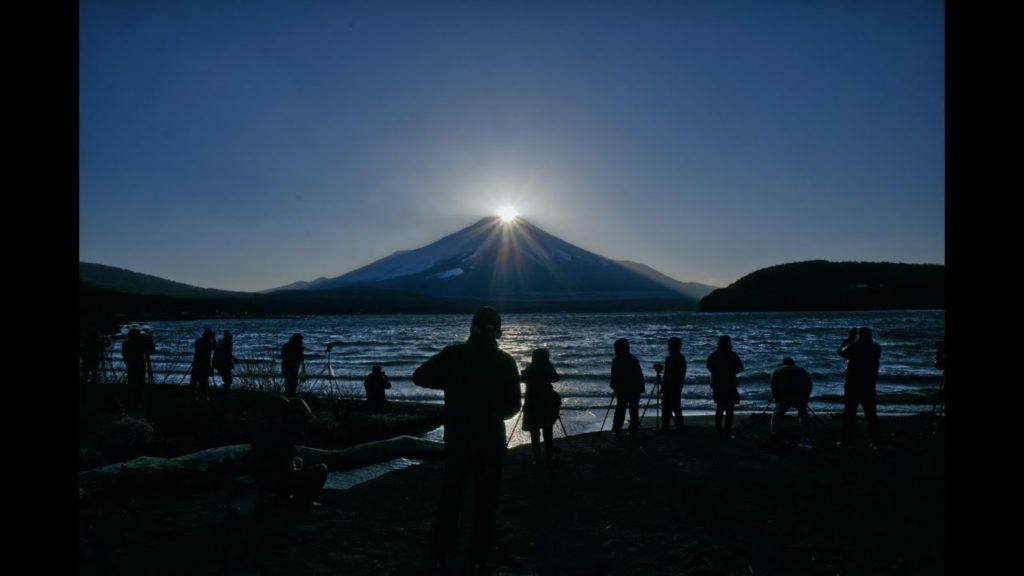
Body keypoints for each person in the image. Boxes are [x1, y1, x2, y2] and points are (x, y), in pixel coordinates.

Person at [412, 307, 521, 573]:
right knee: (486, 501)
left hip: (458, 436)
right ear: (498, 332)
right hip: (491, 438)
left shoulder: (454, 355)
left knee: (451, 496)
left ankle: (440, 553)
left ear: (471, 328)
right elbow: (514, 406)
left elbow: (420, 376)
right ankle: (478, 558)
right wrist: (491, 411)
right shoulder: (505, 361)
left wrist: (451, 383)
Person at [251, 395, 328, 508]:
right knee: (321, 469)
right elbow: (281, 463)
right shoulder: (280, 427)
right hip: (276, 481)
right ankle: (303, 502)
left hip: (262, 481)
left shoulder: (262, 426)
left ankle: (283, 498)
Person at [838, 327, 883, 448]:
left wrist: (849, 339)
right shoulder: (876, 348)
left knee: (849, 414)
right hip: (869, 384)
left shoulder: (853, 346)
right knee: (871, 414)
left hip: (853, 384)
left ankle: (847, 441)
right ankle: (876, 441)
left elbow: (841, 351)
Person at [521, 348, 561, 466]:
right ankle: (549, 457)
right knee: (547, 431)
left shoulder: (530, 368)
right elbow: (556, 378)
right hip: (547, 401)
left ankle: (537, 459)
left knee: (534, 433)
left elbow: (523, 379)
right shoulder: (548, 368)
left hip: (532, 402)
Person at [706, 335, 744, 439]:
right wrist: (731, 371)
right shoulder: (733, 355)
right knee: (730, 409)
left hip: (717, 384)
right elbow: (740, 368)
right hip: (730, 383)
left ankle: (718, 430)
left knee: (720, 407)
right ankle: (727, 431)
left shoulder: (714, 355)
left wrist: (717, 372)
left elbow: (708, 366)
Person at [769, 357, 813, 439]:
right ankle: (808, 435)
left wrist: (775, 397)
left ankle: (775, 433)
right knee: (803, 414)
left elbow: (773, 384)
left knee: (778, 414)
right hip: (800, 396)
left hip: (784, 396)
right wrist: (806, 397)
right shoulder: (801, 370)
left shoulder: (778, 370)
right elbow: (809, 384)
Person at [610, 338, 645, 435]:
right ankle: (633, 428)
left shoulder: (617, 360)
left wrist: (614, 386)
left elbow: (614, 376)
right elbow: (639, 375)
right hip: (635, 387)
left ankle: (617, 429)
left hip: (625, 388)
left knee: (621, 408)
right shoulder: (633, 358)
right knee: (633, 409)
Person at [660, 336, 687, 431]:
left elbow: (670, 374)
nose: (669, 347)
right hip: (677, 385)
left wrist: (664, 386)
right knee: (675, 407)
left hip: (672, 386)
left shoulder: (673, 358)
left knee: (668, 407)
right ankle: (678, 426)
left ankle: (666, 426)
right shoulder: (680, 358)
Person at [189, 328, 216, 400]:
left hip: (197, 363)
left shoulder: (199, 341)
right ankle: (202, 396)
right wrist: (214, 339)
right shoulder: (208, 343)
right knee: (203, 381)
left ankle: (193, 395)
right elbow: (215, 347)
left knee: (194, 380)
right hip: (203, 365)